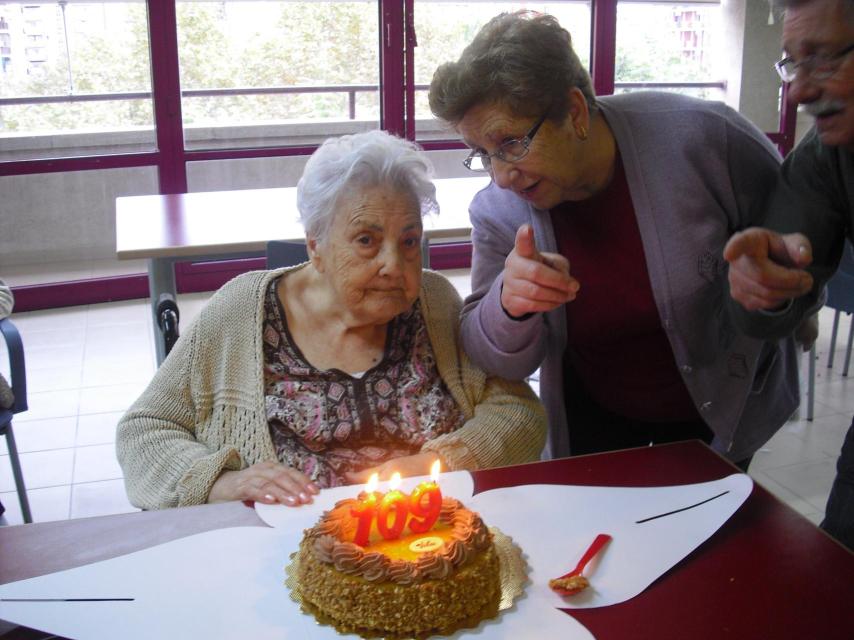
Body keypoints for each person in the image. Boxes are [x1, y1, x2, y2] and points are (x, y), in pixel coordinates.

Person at [428, 10, 801, 466]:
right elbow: (491, 357)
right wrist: (509, 304)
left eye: (510, 144)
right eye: (484, 155)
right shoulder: (499, 212)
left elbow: (798, 236)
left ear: (576, 112)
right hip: (595, 412)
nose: (501, 176)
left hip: (717, 405)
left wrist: (779, 291)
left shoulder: (703, 139)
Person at [117, 130, 546, 511]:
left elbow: (519, 411)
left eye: (409, 241)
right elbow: (145, 430)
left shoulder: (434, 302)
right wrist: (218, 481)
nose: (394, 265)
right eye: (366, 240)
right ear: (315, 246)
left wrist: (440, 463)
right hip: (280, 561)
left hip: (424, 553)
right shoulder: (240, 311)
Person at [724, 0, 853, 550]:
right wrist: (763, 286)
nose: (798, 92)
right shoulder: (824, 159)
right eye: (792, 64)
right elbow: (755, 313)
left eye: (823, 59)